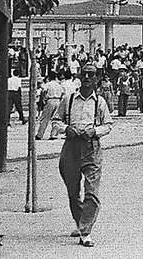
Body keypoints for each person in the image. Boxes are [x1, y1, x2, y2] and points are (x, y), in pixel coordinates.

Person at [52, 63, 113, 247]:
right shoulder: (69, 99)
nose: (87, 78)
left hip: (91, 148)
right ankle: (81, 223)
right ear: (80, 76)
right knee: (73, 192)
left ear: (96, 79)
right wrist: (66, 128)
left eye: (91, 75)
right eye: (84, 74)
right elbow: (56, 120)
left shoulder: (100, 102)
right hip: (71, 147)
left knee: (92, 192)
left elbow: (108, 125)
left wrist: (94, 131)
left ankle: (85, 232)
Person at [37, 71, 65, 140]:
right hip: (58, 100)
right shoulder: (59, 85)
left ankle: (40, 134)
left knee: (45, 118)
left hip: (50, 100)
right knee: (55, 119)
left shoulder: (48, 84)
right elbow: (63, 93)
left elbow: (43, 89)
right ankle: (53, 134)